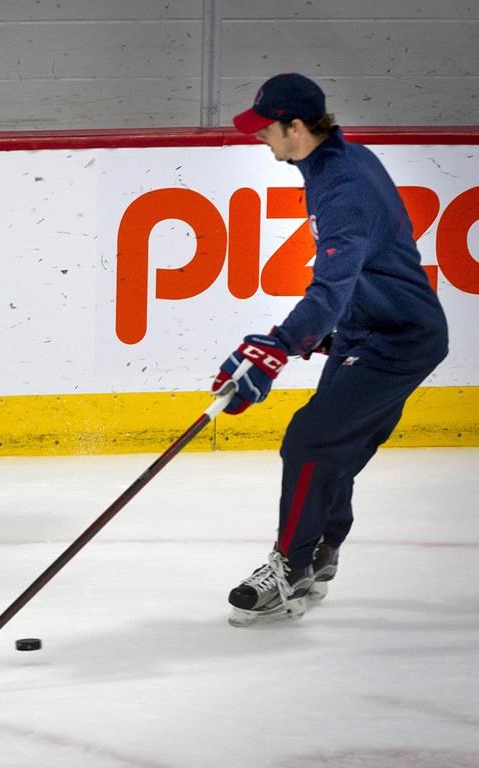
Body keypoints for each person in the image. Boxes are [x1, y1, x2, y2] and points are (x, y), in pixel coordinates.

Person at [215, 73, 448, 626]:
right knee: (330, 447)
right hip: (368, 329)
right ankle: (318, 554)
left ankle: (290, 566)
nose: (260, 138)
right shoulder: (326, 163)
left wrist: (278, 347)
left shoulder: (344, 188)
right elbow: (372, 266)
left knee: (310, 439)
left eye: (266, 129)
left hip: (400, 339)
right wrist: (321, 335)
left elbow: (330, 288)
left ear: (296, 127)